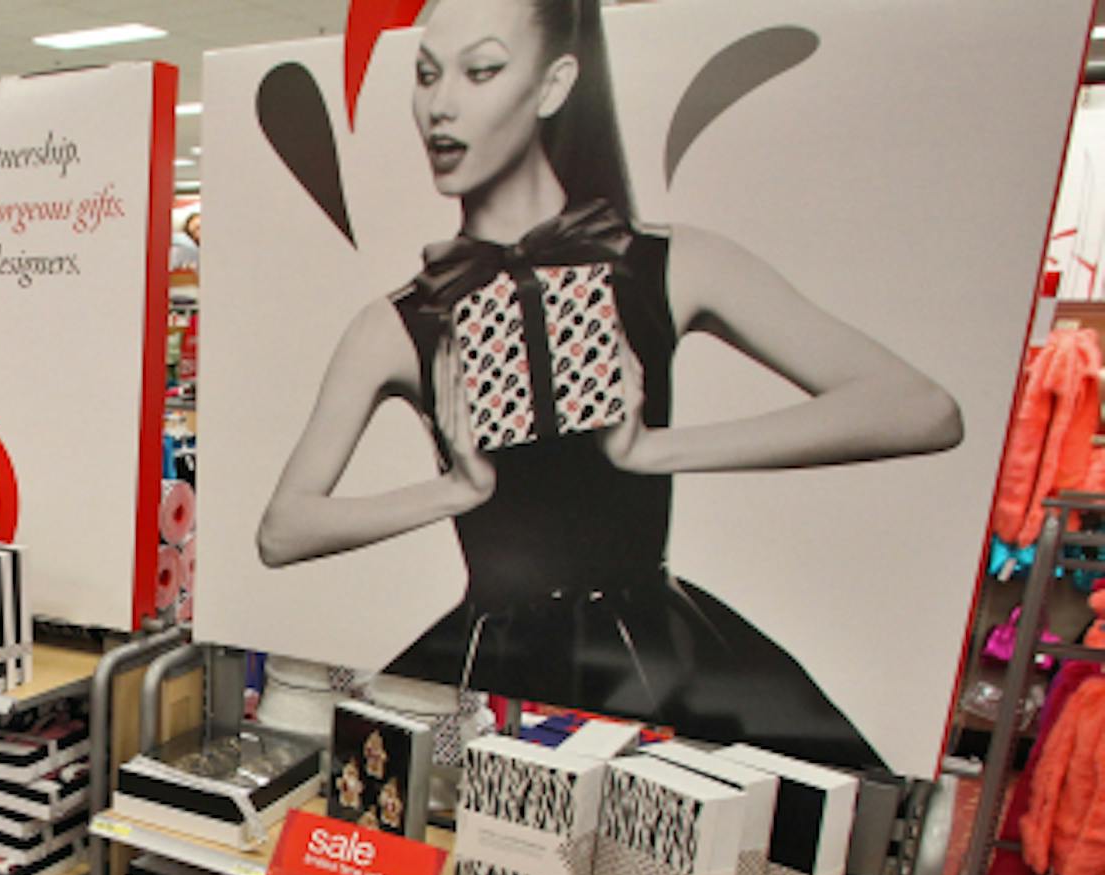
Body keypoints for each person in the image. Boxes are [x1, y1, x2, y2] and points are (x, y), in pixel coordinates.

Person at [255, 0, 964, 768]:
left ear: (556, 83)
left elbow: (920, 408)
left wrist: (657, 449)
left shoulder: (671, 262)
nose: (442, 105)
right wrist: (454, 492)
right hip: (484, 657)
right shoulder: (393, 322)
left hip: (661, 651)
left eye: (483, 69)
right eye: (427, 76)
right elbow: (282, 529)